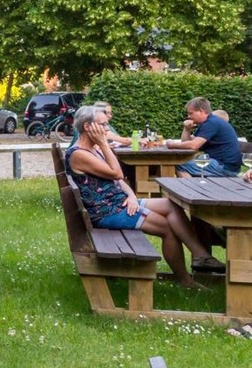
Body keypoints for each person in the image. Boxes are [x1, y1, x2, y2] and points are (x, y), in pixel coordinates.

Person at [66, 105, 224, 284]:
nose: (107, 129)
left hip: (119, 202)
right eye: (103, 125)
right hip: (107, 211)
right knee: (167, 228)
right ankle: (186, 281)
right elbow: (116, 173)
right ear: (88, 127)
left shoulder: (93, 149)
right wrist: (104, 144)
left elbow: (119, 181)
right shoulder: (80, 154)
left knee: (171, 204)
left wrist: (132, 196)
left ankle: (199, 255)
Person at [165, 97, 242, 176]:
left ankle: (189, 188)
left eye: (191, 113)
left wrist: (171, 145)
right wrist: (186, 129)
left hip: (225, 167)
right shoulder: (208, 122)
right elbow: (187, 143)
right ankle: (192, 187)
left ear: (201, 111)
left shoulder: (212, 123)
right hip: (222, 164)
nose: (189, 116)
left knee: (181, 165)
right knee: (183, 164)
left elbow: (193, 145)